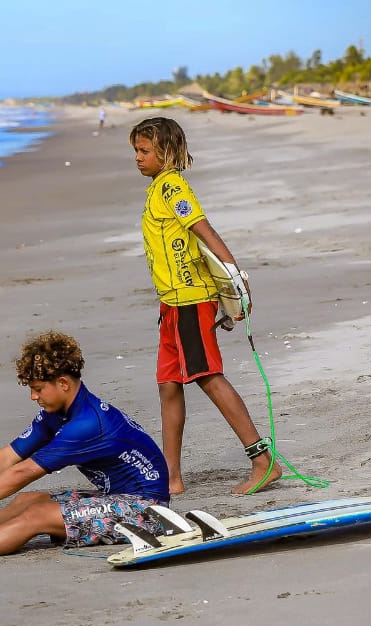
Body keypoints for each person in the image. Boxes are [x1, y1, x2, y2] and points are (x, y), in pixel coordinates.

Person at [0, 331, 168, 566]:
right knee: (27, 501)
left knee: (36, 515)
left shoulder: (87, 425)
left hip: (147, 511)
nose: (33, 396)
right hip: (117, 497)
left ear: (63, 383)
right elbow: (9, 456)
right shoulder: (60, 411)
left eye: (38, 389)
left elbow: (23, 472)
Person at [129, 116, 282, 495]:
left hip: (190, 301)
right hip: (170, 305)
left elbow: (204, 229)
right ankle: (171, 477)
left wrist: (236, 276)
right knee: (168, 384)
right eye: (135, 150)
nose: (137, 157)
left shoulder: (173, 189)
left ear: (165, 152)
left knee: (207, 376)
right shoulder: (156, 189)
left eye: (144, 150)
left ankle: (263, 461)